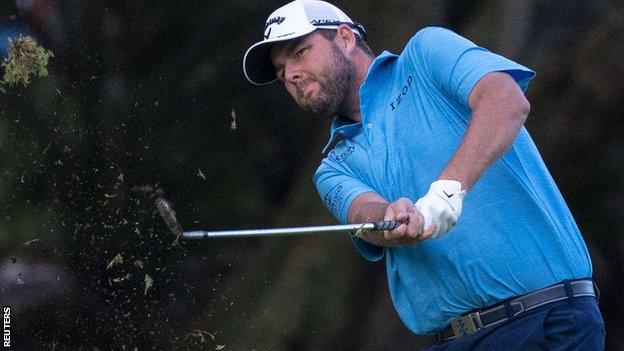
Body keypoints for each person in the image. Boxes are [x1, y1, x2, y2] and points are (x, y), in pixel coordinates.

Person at [243, 1, 605, 349]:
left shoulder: (425, 54)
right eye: (280, 72)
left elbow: (506, 100)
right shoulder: (332, 167)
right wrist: (388, 218)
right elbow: (362, 212)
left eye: (299, 52)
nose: (290, 74)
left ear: (345, 38)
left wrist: (448, 190)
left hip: (546, 317)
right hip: (451, 340)